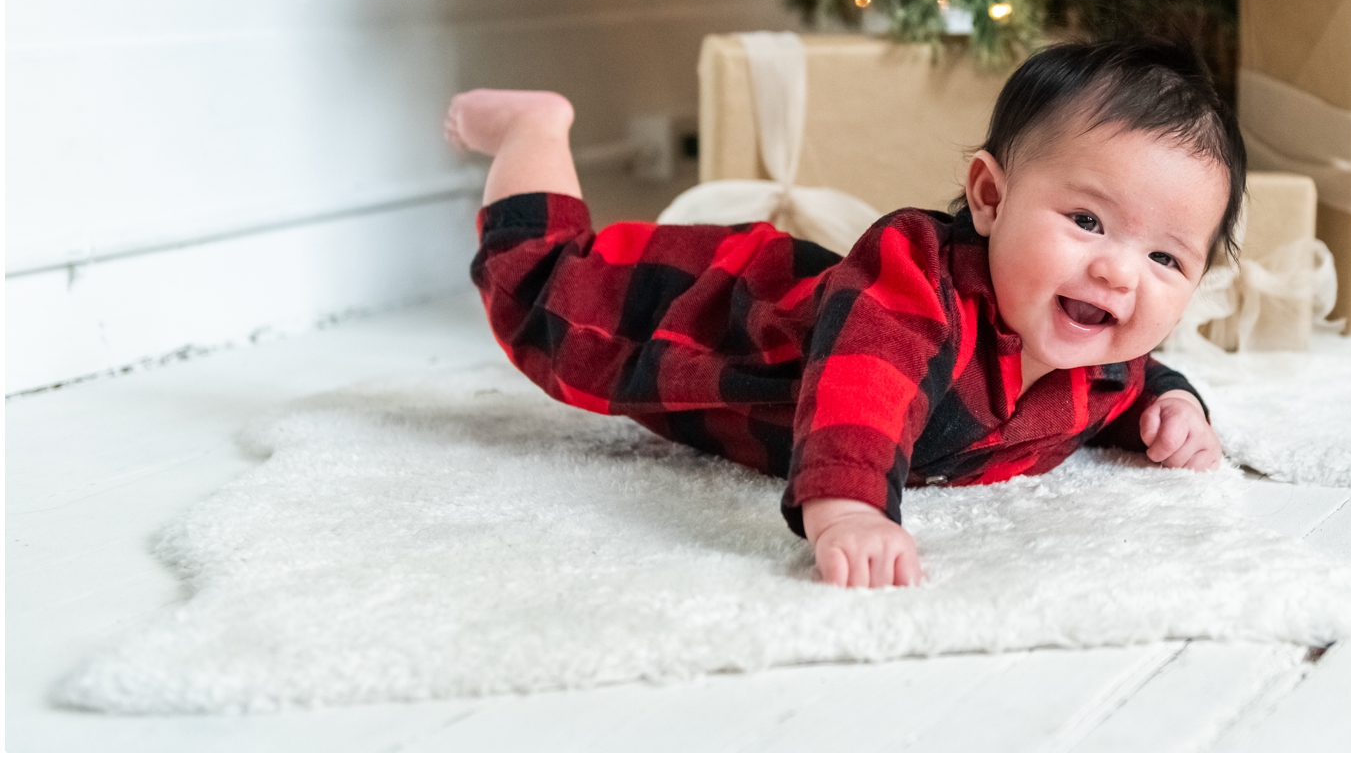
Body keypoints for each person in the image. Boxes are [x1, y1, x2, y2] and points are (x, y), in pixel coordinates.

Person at [445, 37, 1242, 590]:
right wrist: (853, 509)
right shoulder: (914, 287)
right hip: (716, 311)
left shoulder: (1095, 346)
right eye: (1088, 221)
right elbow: (861, 397)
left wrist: (1174, 405)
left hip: (780, 342)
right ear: (990, 197)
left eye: (1165, 258)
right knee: (535, 290)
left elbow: (1133, 376)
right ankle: (533, 129)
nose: (1117, 270)